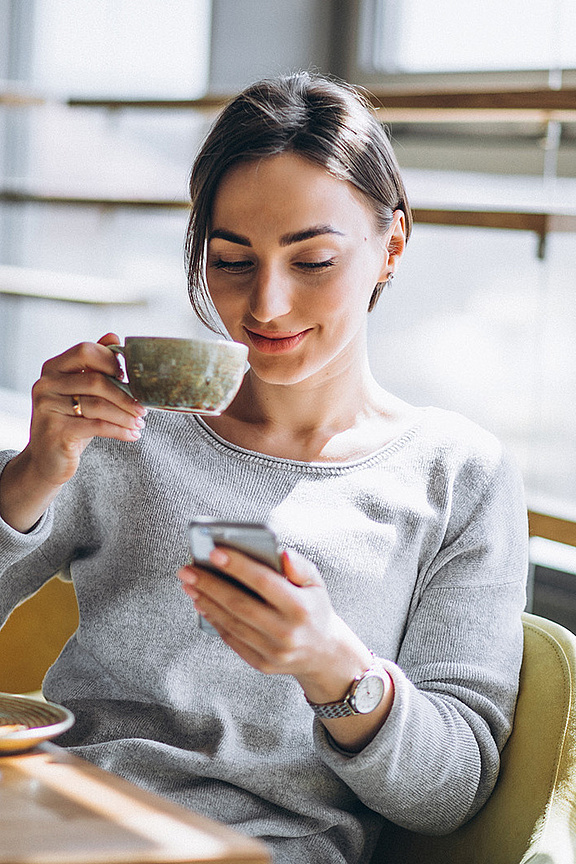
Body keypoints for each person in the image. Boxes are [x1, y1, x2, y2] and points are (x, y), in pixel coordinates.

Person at [0, 72, 527, 864]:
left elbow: (452, 793)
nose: (266, 307)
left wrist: (333, 668)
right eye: (231, 260)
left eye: (312, 259)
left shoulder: (457, 476)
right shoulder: (128, 427)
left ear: (392, 247)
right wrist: (33, 473)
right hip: (60, 820)